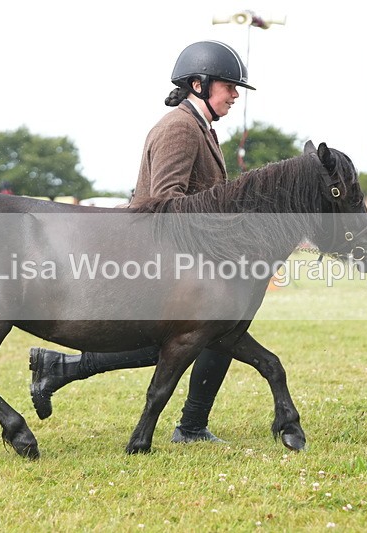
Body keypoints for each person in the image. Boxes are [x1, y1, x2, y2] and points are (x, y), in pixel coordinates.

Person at [29, 40, 255, 443]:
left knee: (215, 332)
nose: (235, 94)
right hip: (160, 254)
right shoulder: (180, 128)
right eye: (229, 86)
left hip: (184, 253)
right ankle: (186, 425)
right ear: (199, 85)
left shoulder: (202, 129)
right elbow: (167, 200)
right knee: (199, 335)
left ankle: (189, 424)